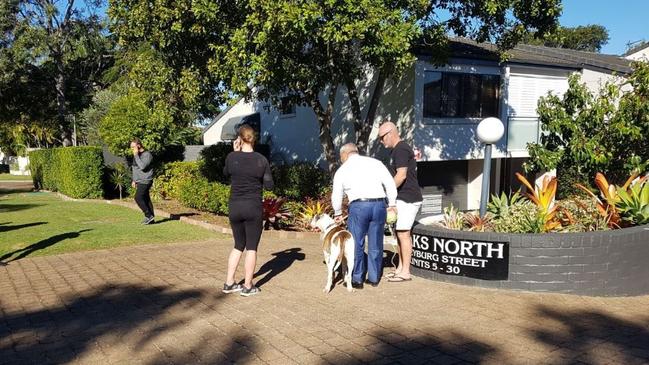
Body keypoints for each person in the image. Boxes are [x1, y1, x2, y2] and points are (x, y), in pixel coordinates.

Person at [332, 143, 397, 289]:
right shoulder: (376, 163)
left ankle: (357, 278)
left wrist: (337, 212)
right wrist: (392, 203)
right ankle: (374, 278)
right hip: (379, 205)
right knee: (376, 242)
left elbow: (337, 195)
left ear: (344, 154)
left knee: (356, 243)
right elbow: (390, 184)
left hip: (359, 207)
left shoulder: (342, 170)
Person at [222, 124, 274, 297]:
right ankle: (247, 286)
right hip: (253, 207)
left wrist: (234, 152)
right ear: (254, 139)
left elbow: (225, 173)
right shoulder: (261, 160)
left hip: (235, 206)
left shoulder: (231, 157)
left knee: (238, 245)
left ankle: (229, 283)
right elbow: (269, 185)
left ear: (239, 139)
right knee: (251, 247)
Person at [378, 121, 423, 282]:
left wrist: (387, 193)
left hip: (408, 198)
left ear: (390, 133)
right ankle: (399, 268)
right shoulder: (396, 150)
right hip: (402, 198)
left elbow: (401, 175)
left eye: (381, 138)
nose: (381, 142)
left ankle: (405, 272)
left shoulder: (402, 149)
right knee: (399, 233)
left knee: (404, 233)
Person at [130, 138, 155, 225]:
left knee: (138, 197)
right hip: (139, 180)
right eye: (131, 148)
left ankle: (148, 215)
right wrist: (134, 180)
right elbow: (135, 168)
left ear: (138, 145)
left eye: (133, 147)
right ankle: (151, 218)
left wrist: (136, 155)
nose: (132, 149)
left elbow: (142, 167)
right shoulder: (136, 155)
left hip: (146, 180)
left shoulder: (147, 155)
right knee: (146, 198)